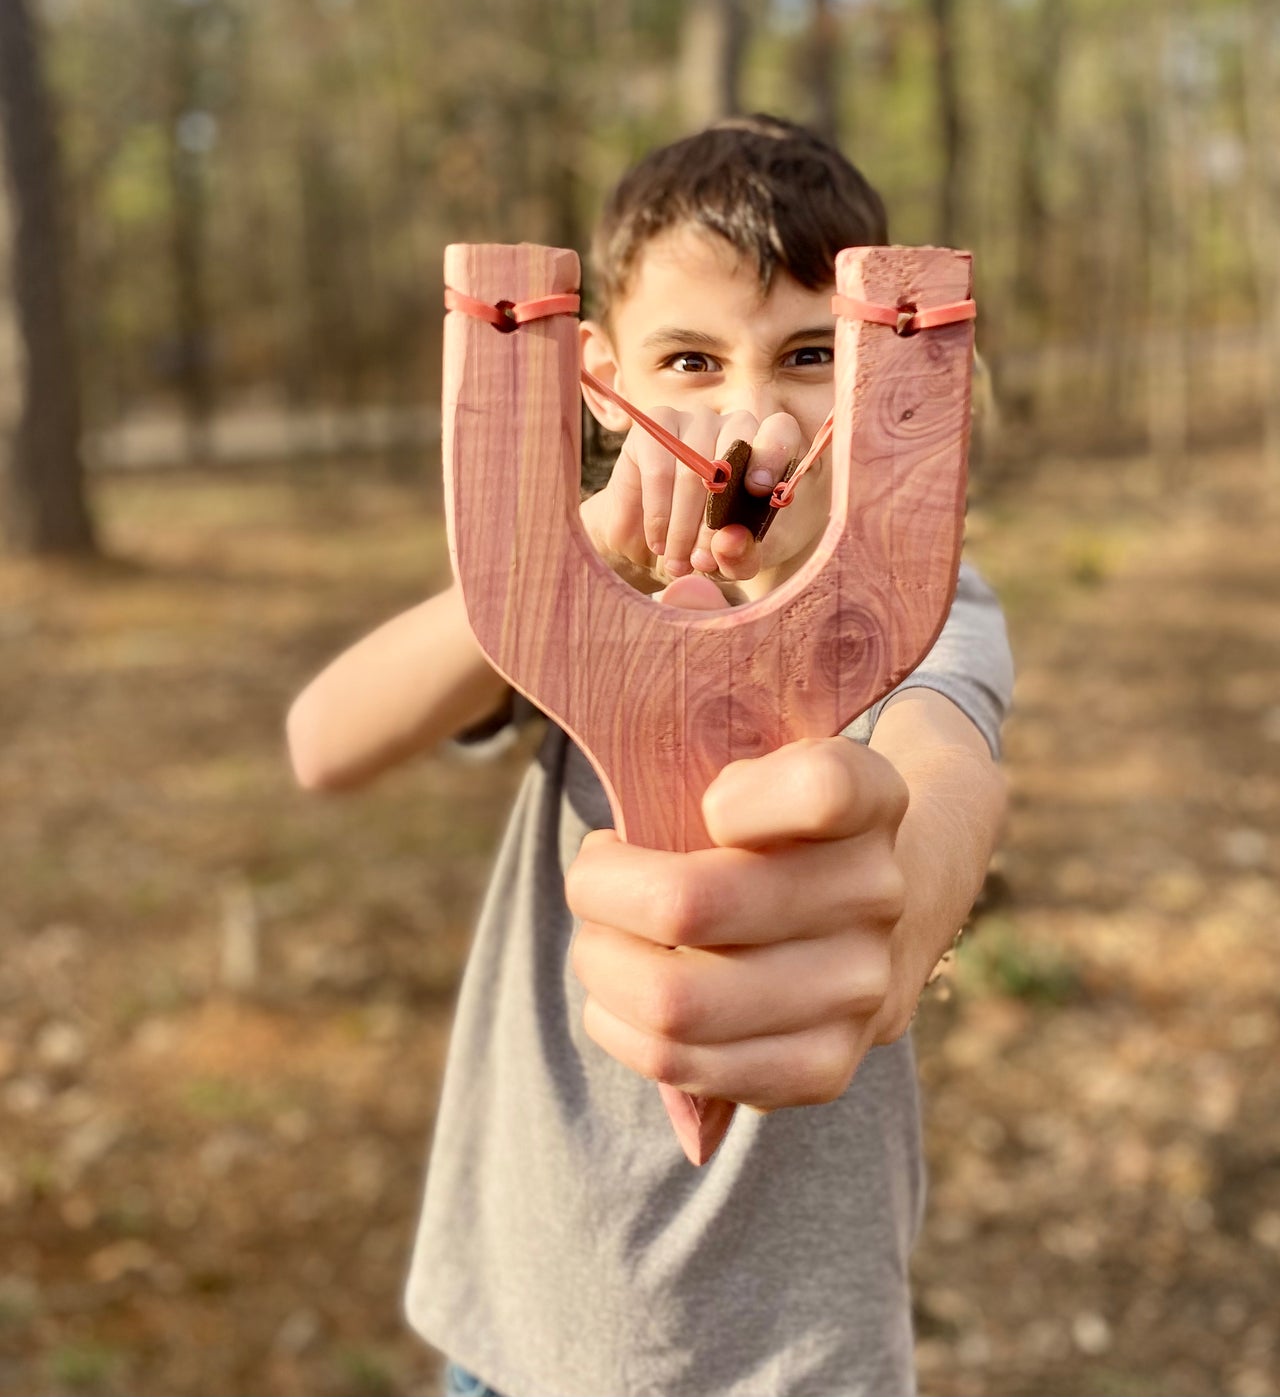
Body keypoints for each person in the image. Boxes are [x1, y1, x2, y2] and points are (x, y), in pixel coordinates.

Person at [286, 113, 1013, 1397]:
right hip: (518, 1330)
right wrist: (568, 558)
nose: (744, 413)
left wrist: (901, 924)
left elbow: (947, 772)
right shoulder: (560, 594)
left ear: (869, 378)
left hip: (796, 1359)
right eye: (687, 359)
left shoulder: (925, 600)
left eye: (804, 353)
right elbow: (323, 741)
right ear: (599, 382)